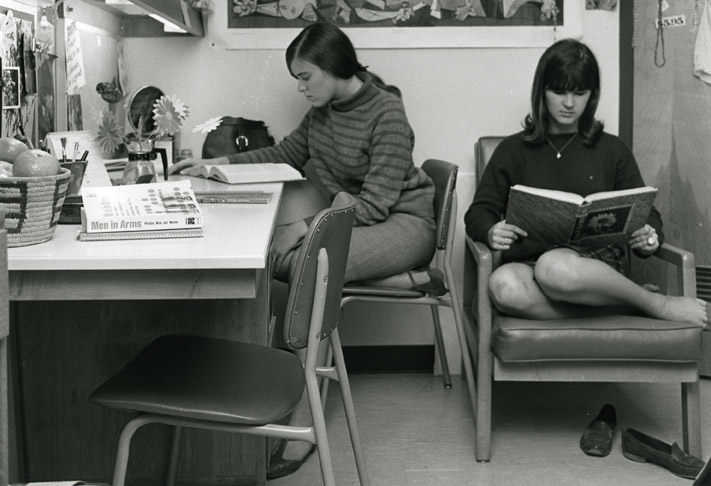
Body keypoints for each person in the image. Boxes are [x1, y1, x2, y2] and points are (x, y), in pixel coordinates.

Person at [170, 23, 441, 478]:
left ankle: (302, 427)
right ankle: (276, 385)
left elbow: (374, 205)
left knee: (310, 263)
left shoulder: (387, 112)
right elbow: (284, 154)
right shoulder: (324, 112)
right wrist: (212, 165)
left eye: (305, 76)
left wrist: (302, 226)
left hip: (405, 223)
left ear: (336, 68)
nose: (299, 86)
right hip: (357, 218)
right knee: (293, 260)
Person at [464, 38, 709, 327]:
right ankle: (627, 307)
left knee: (553, 267)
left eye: (580, 93)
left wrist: (649, 236)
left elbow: (648, 215)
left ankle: (658, 304)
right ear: (541, 92)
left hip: (596, 268)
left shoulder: (612, 149)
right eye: (558, 92)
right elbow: (478, 213)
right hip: (530, 265)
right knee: (503, 286)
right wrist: (491, 231)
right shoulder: (512, 150)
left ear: (592, 95)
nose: (569, 104)